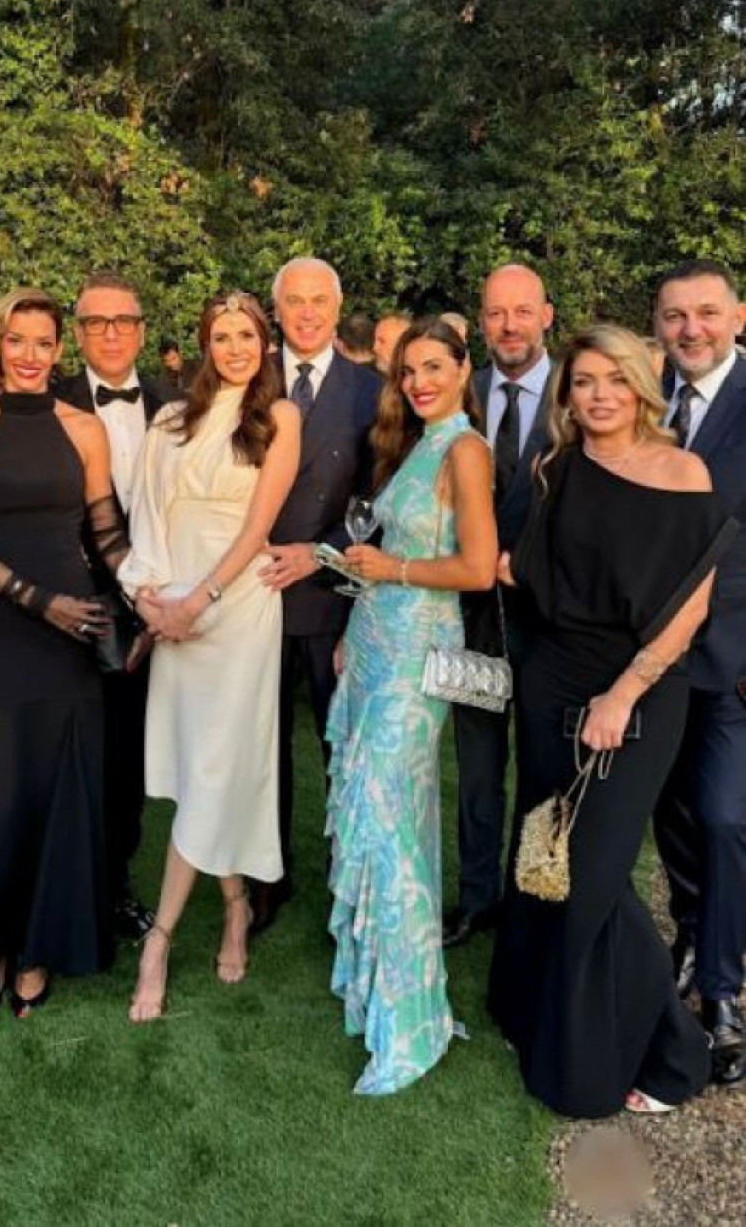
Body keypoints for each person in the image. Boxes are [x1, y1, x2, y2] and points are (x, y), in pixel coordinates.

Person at [488, 325, 738, 1118]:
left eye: (614, 379)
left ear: (640, 385)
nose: (599, 395)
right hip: (551, 681)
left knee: (595, 875)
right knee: (544, 857)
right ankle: (536, 1009)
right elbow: (535, 572)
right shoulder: (557, 465)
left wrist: (624, 692)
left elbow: (690, 604)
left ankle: (675, 1052)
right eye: (584, 381)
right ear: (567, 393)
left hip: (637, 690)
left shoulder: (683, 471)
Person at [0, 288, 126, 1021]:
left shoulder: (85, 428)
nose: (30, 355)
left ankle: (39, 948)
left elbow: (107, 534)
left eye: (44, 342)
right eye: (17, 340)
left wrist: (158, 592)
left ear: (59, 349)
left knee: (54, 785)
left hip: (72, 634)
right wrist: (37, 600)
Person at [326, 317, 497, 1094]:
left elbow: (476, 568)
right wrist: (356, 613)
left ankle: (412, 1021)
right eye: (408, 370)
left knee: (386, 820)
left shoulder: (465, 449)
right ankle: (380, 993)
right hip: (373, 641)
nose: (420, 381)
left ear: (463, 370)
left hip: (418, 653)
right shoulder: (418, 445)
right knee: (387, 819)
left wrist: (387, 569)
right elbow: (391, 553)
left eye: (434, 366)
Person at [120, 292, 299, 1021]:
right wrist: (151, 600)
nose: (235, 348)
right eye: (222, 336)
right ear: (204, 344)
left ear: (265, 343)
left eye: (246, 335)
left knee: (219, 765)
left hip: (239, 605)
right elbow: (146, 514)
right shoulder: (170, 420)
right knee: (201, 766)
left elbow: (259, 526)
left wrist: (201, 600)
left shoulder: (280, 417)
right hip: (173, 608)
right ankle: (233, 903)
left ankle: (158, 939)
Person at [253, 257, 381, 933]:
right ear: (276, 310)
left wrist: (320, 551)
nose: (306, 314)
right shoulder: (249, 376)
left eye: (318, 301)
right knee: (261, 747)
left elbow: (381, 497)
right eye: (294, 301)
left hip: (334, 596)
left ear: (337, 307)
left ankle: (347, 877)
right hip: (255, 591)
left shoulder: (372, 390)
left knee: (342, 746)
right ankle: (264, 876)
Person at [651, 260, 746, 1082]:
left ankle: (722, 990)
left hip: (734, 663)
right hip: (653, 658)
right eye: (676, 315)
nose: (692, 329)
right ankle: (690, 932)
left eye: (707, 312)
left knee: (723, 817)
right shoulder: (644, 400)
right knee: (672, 812)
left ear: (737, 316)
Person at [445, 263, 554, 949]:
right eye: (494, 313)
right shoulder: (463, 395)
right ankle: (477, 898)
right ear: (481, 321)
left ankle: (531, 902)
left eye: (521, 311)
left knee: (543, 766)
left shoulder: (580, 394)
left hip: (553, 623)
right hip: (473, 619)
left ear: (547, 315)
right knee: (478, 769)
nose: (508, 325)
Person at [55, 271, 164, 942]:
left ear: (142, 330)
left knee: (127, 758)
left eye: (124, 320)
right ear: (78, 333)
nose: (112, 333)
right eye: (97, 322)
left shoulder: (177, 405)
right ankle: (65, 887)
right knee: (70, 753)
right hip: (69, 605)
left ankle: (115, 884)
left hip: (151, 608)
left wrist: (158, 603)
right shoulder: (48, 403)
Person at [154, 336, 197, 402]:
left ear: (180, 353)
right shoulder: (164, 378)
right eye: (167, 361)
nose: (172, 364)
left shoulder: (195, 367)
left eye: (173, 358)